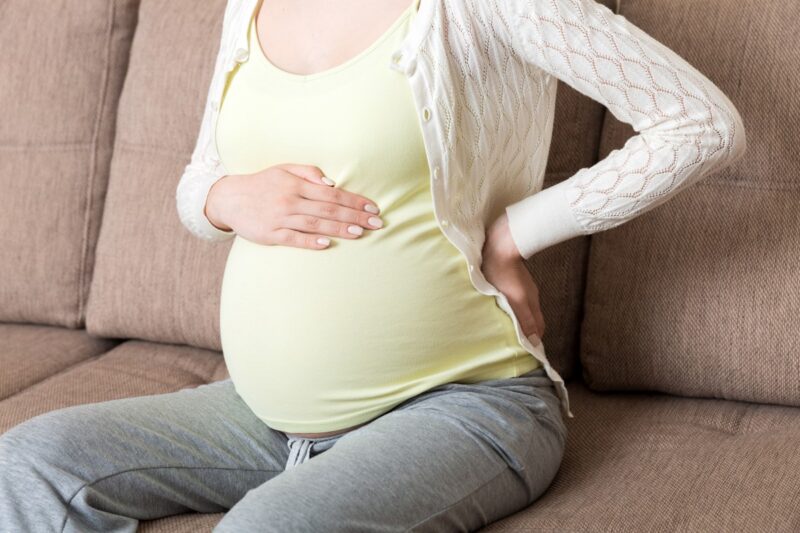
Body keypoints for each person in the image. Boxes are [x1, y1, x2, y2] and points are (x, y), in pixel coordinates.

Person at [0, 0, 746, 531]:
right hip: (263, 418)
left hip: (464, 405)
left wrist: (514, 232)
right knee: (29, 460)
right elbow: (198, 180)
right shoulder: (249, 6)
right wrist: (228, 197)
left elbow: (702, 123)